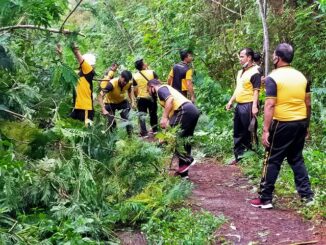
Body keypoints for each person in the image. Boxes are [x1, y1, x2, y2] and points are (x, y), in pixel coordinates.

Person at [250, 43, 314, 209]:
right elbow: (308, 103)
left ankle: (265, 198)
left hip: (282, 123)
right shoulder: (302, 77)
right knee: (296, 158)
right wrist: (306, 125)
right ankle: (307, 197)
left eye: (273, 56)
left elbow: (270, 104)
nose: (272, 58)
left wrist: (265, 130)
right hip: (300, 122)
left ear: (277, 58)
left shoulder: (274, 77)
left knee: (272, 159)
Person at [147, 79, 200, 179]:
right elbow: (171, 120)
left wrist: (164, 117)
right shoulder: (168, 91)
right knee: (184, 141)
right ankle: (184, 174)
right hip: (192, 110)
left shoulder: (161, 89)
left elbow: (170, 100)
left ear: (152, 87)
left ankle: (188, 159)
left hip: (184, 110)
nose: (149, 93)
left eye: (148, 90)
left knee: (171, 139)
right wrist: (164, 133)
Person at [226, 48, 262, 165]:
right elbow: (238, 88)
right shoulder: (240, 72)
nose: (240, 59)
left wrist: (255, 106)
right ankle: (239, 156)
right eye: (240, 57)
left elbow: (256, 91)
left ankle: (252, 156)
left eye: (242, 57)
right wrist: (231, 101)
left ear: (249, 57)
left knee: (249, 132)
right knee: (238, 131)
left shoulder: (255, 72)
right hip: (239, 105)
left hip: (249, 104)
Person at [98, 70, 133, 135]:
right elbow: (100, 96)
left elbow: (129, 92)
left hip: (122, 102)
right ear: (120, 77)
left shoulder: (128, 83)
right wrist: (103, 109)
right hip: (110, 103)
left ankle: (130, 138)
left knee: (127, 119)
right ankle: (113, 139)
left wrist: (132, 102)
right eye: (124, 81)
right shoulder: (112, 84)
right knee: (111, 122)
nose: (125, 83)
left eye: (127, 81)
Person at [69, 42, 96, 125]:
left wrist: (71, 41)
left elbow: (77, 54)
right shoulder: (78, 74)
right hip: (77, 107)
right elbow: (66, 70)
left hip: (85, 108)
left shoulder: (89, 71)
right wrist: (60, 54)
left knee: (85, 132)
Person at [133, 59, 159, 137]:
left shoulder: (135, 76)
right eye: (144, 63)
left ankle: (144, 133)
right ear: (143, 65)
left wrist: (136, 97)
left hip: (141, 98)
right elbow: (158, 83)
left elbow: (135, 89)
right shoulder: (152, 72)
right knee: (153, 113)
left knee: (142, 115)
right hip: (152, 96)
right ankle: (155, 130)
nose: (146, 63)